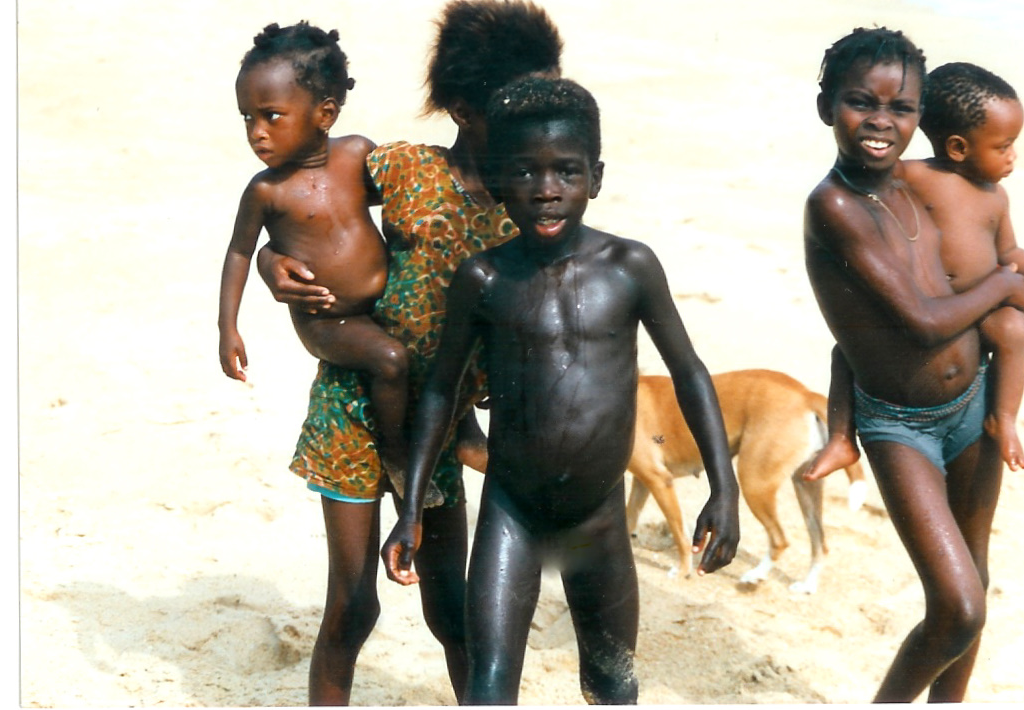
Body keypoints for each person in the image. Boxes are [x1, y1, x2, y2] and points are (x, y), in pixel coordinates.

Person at [380, 75, 741, 705]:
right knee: (489, 687)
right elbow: (441, 391)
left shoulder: (630, 268)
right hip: (511, 512)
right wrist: (410, 506)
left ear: (595, 178)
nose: (546, 190)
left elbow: (689, 371)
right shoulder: (484, 277)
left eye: (566, 173)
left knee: (611, 684)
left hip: (596, 519)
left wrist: (724, 485)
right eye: (525, 172)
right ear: (498, 180)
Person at [253, 2, 565, 704]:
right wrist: (273, 259)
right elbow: (303, 202)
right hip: (354, 407)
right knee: (351, 606)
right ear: (460, 105)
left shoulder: (538, 208)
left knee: (452, 612)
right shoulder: (398, 168)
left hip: (441, 428)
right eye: (518, 107)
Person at [803, 27, 1024, 702]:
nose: (880, 121)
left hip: (972, 406)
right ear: (826, 108)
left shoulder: (924, 184)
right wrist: (1006, 287)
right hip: (899, 422)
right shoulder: (835, 205)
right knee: (956, 607)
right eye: (859, 104)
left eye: (900, 108)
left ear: (920, 119)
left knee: (976, 580)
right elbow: (922, 319)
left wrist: (1004, 283)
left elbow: (850, 339)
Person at [217, 22, 435, 503]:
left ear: (325, 113)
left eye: (272, 116)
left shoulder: (358, 155)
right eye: (247, 118)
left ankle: (457, 439)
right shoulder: (267, 190)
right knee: (390, 359)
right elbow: (239, 251)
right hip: (328, 317)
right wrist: (228, 328)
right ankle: (397, 458)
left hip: (383, 305)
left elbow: (408, 198)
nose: (257, 132)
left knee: (430, 349)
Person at [809, 61, 1024, 481]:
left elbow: (1010, 253)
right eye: (1003, 145)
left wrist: (1018, 282)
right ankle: (841, 437)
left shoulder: (997, 198)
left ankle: (1003, 419)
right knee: (847, 350)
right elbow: (863, 184)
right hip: (937, 310)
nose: (1013, 156)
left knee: (1014, 331)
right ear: (959, 148)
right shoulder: (912, 176)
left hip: (978, 312)